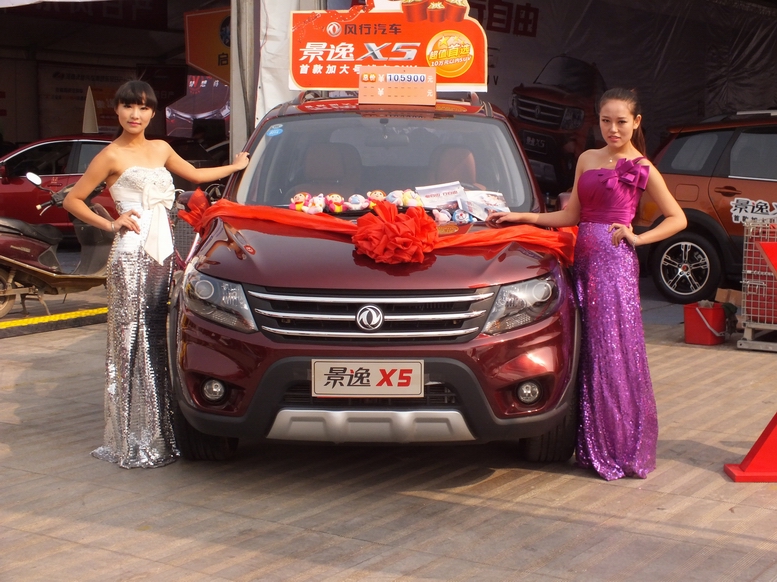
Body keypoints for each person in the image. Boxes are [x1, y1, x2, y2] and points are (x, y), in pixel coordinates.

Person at [487, 88, 687, 480]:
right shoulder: (587, 158)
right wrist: (523, 218)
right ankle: (592, 442)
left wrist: (639, 238)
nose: (613, 129)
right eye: (606, 121)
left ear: (637, 123)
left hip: (615, 268)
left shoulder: (643, 166)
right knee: (586, 351)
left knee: (612, 352)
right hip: (582, 263)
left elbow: (677, 218)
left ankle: (619, 447)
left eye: (621, 122)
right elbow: (570, 216)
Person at [64, 80, 249, 468]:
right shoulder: (110, 155)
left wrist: (236, 166)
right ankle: (131, 438)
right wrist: (111, 223)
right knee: (131, 341)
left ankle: (159, 433)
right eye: (129, 106)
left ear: (152, 113)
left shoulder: (162, 148)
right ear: (117, 111)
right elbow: (73, 199)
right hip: (131, 254)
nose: (136, 114)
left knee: (157, 338)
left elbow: (195, 175)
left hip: (164, 254)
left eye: (144, 107)